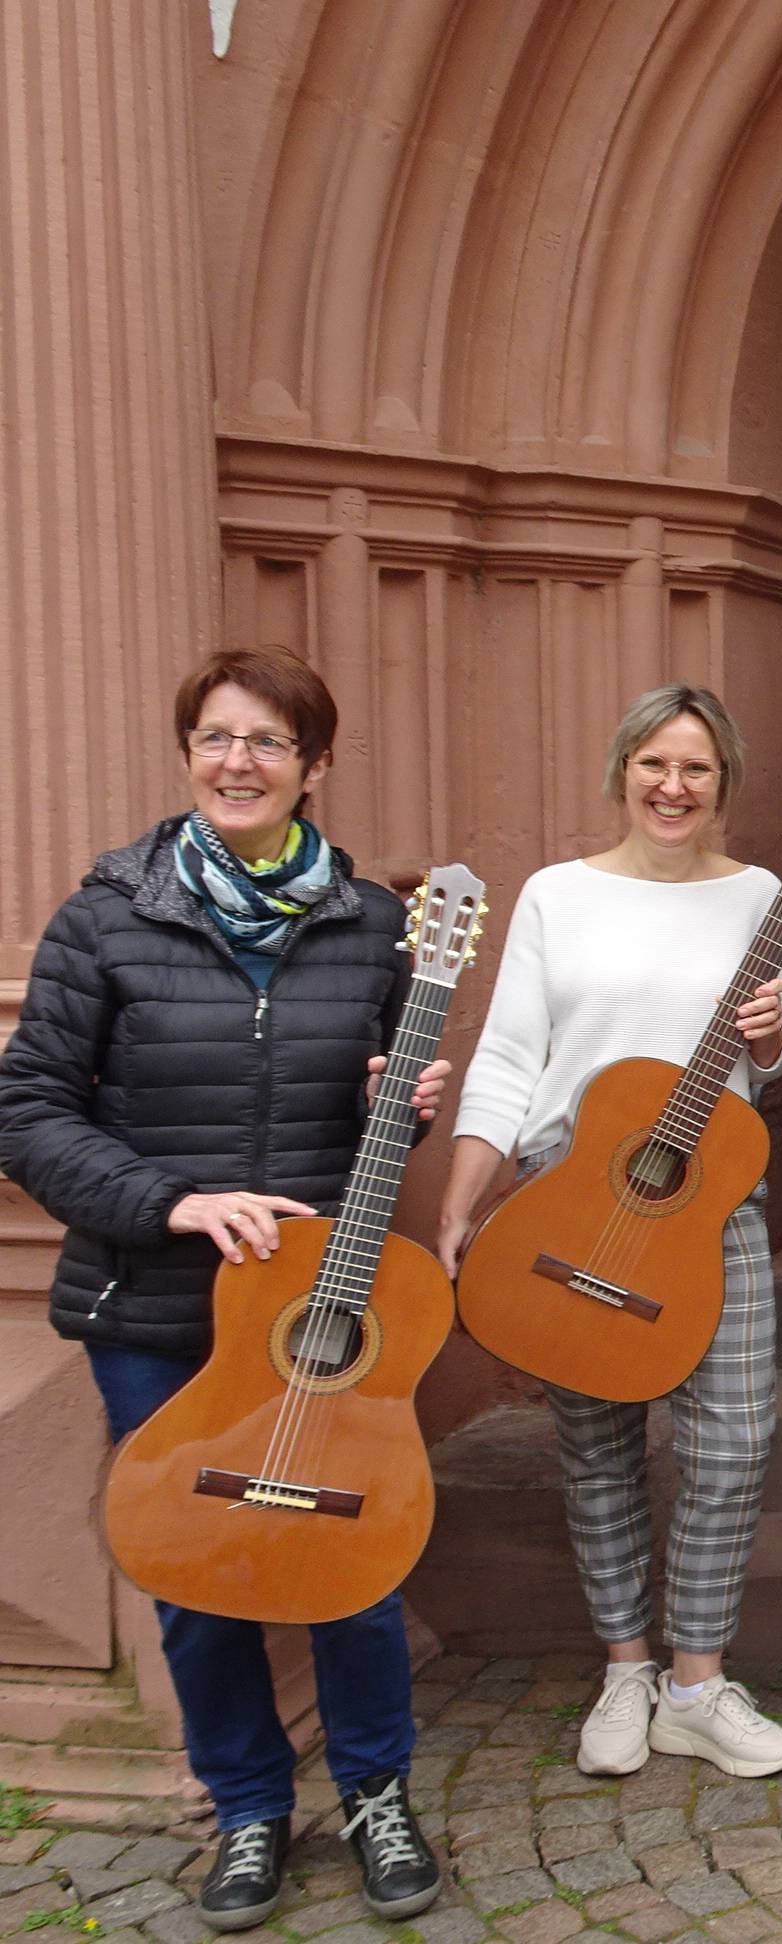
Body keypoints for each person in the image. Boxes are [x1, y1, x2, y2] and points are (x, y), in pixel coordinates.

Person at [0, 648, 449, 1930]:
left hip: (318, 1311)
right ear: (187, 751)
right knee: (194, 1575)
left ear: (315, 764)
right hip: (156, 1308)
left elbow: (368, 1132)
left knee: (355, 1558)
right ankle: (249, 1807)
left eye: (266, 741)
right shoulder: (108, 916)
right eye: (215, 737)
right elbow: (25, 1111)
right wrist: (172, 1202)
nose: (237, 761)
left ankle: (375, 1794)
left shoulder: (372, 925)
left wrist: (397, 1112)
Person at [437, 685, 782, 1783]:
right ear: (623, 770)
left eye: (696, 768)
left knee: (732, 1443)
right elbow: (509, 1054)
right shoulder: (558, 895)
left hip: (710, 1206)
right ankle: (626, 1668)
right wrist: (463, 1195)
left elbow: (767, 1066)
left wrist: (777, 1035)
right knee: (596, 1449)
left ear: (725, 784)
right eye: (655, 763)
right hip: (572, 1196)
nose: (673, 786)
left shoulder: (758, 896)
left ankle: (697, 1682)